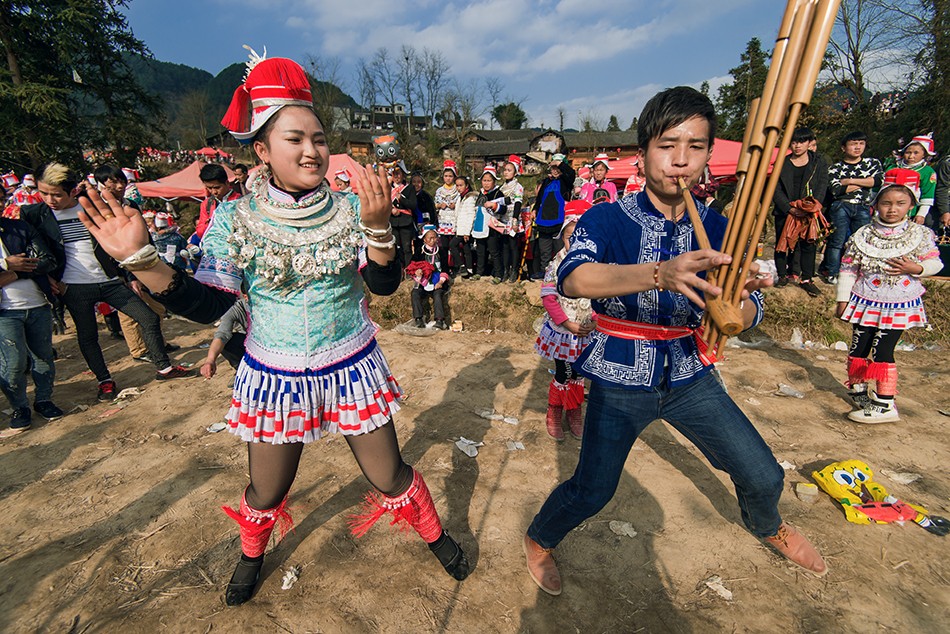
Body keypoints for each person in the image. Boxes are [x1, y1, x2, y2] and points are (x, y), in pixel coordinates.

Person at [77, 53, 469, 606]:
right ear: (261, 149)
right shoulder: (236, 220)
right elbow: (208, 301)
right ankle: (251, 555)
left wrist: (379, 229)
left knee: (389, 475)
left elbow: (382, 289)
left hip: (352, 365)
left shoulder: (351, 208)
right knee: (268, 487)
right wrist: (143, 261)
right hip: (275, 372)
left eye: (319, 136)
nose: (312, 149)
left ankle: (436, 535)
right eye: (295, 138)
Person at [523, 87, 827, 598]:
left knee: (762, 473)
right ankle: (540, 538)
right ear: (643, 152)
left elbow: (748, 311)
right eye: (668, 144)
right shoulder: (607, 217)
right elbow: (574, 278)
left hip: (690, 372)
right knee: (593, 490)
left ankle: (766, 523)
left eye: (696, 146)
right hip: (619, 375)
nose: (681, 160)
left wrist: (742, 305)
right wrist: (660, 273)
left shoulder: (719, 226)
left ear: (709, 154)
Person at [23, 164, 192, 402]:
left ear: (72, 191)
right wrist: (47, 277)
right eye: (44, 193)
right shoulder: (33, 214)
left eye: (57, 194)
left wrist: (133, 276)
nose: (50, 199)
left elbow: (124, 240)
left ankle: (164, 368)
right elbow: (34, 251)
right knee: (88, 335)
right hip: (73, 286)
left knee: (148, 317)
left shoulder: (92, 207)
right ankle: (104, 381)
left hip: (110, 279)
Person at [836, 169, 943, 423]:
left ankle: (885, 403)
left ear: (911, 205)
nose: (892, 209)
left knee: (883, 349)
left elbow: (935, 263)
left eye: (900, 204)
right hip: (864, 300)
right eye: (886, 203)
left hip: (897, 303)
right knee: (858, 347)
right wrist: (842, 300)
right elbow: (849, 268)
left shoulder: (919, 235)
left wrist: (915, 269)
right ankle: (859, 391)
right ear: (876, 204)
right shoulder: (861, 235)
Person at [94, 165, 179, 365]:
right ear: (101, 186)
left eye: (121, 180)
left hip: (145, 260)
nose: (119, 185)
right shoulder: (101, 210)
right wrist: (125, 275)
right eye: (112, 182)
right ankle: (139, 349)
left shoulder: (130, 204)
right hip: (120, 266)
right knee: (129, 311)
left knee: (157, 304)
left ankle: (159, 342)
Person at [0, 214, 64, 438]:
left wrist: (14, 272)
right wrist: (6, 265)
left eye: (1, 198)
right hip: (4, 312)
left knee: (43, 356)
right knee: (14, 362)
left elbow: (47, 259)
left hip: (38, 304)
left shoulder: (19, 228)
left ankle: (44, 400)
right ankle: (20, 407)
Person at [534, 202, 593, 441]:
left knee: (579, 372)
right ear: (562, 238)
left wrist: (596, 321)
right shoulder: (556, 264)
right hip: (564, 329)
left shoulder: (595, 264)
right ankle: (554, 410)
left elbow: (602, 295)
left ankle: (574, 410)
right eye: (570, 236)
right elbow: (548, 297)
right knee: (563, 371)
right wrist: (567, 323)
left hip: (587, 330)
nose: (574, 242)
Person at [819, 131, 885, 284]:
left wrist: (848, 180)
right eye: (853, 144)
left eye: (861, 143)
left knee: (861, 242)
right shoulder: (835, 167)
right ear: (844, 147)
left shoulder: (872, 163)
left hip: (862, 206)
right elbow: (836, 190)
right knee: (837, 241)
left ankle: (858, 273)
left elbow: (877, 181)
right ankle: (833, 272)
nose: (857, 147)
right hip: (840, 206)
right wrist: (864, 181)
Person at [771, 127, 829, 296]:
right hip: (786, 210)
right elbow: (775, 188)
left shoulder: (818, 161)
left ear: (809, 143)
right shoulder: (782, 162)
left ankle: (807, 278)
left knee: (808, 244)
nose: (797, 146)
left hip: (809, 210)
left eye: (801, 142)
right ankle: (782, 275)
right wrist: (789, 208)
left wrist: (812, 205)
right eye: (794, 142)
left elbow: (822, 184)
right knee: (782, 244)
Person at [531, 154, 576, 279]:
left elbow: (571, 173)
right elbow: (539, 199)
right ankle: (544, 272)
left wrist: (559, 164)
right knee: (544, 250)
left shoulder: (565, 182)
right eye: (553, 168)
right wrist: (535, 209)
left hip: (559, 221)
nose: (555, 170)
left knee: (559, 250)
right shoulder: (546, 182)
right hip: (543, 220)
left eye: (558, 168)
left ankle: (560, 272)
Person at [884, 133, 938, 229]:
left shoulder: (927, 172)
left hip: (911, 214)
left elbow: (927, 195)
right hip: (887, 212)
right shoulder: (892, 168)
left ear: (924, 155)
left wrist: (921, 214)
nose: (911, 156)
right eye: (908, 152)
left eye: (916, 153)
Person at [408, 225, 449, 330]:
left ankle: (439, 320)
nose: (433, 240)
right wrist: (417, 272)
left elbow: (445, 269)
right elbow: (412, 267)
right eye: (430, 238)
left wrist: (440, 282)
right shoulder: (419, 252)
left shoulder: (442, 251)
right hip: (423, 281)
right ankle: (418, 319)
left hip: (437, 280)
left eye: (435, 237)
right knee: (415, 293)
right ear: (424, 239)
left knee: (437, 294)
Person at [200, 296, 249, 381]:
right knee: (228, 343)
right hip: (254, 345)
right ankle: (243, 371)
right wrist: (210, 361)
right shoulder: (238, 308)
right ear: (245, 296)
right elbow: (222, 335)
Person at [474, 166, 505, 278]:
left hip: (492, 227)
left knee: (494, 251)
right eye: (484, 180)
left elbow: (503, 209)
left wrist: (494, 206)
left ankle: (498, 274)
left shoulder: (498, 194)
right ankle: (479, 272)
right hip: (479, 226)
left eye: (489, 180)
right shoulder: (479, 194)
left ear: (494, 181)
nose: (486, 183)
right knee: (480, 251)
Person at [195, 164, 240, 239]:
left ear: (227, 183)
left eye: (217, 187)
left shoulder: (240, 201)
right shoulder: (206, 204)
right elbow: (200, 232)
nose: (213, 192)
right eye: (209, 188)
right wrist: (210, 222)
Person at [498, 157, 525, 282]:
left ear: (515, 172)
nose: (506, 172)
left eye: (509, 170)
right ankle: (505, 270)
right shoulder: (502, 187)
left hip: (513, 218)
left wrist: (515, 219)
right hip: (503, 219)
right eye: (505, 170)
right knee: (504, 246)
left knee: (513, 245)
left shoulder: (518, 187)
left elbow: (518, 203)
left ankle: (514, 269)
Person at [388, 162, 417, 268]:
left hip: (405, 221)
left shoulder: (409, 188)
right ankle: (399, 269)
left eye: (398, 173)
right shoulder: (387, 188)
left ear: (403, 174)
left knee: (407, 247)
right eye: (394, 174)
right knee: (395, 247)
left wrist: (402, 199)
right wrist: (391, 210)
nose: (396, 176)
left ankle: (409, 268)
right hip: (393, 221)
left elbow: (413, 205)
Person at [449, 176, 478, 278]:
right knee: (466, 250)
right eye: (457, 185)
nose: (458, 188)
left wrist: (467, 232)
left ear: (466, 185)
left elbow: (470, 216)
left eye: (461, 185)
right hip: (460, 229)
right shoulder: (460, 198)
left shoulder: (469, 199)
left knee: (453, 245)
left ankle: (461, 266)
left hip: (465, 230)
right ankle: (469, 270)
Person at [434, 161, 459, 259]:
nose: (448, 178)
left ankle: (456, 265)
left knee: (455, 245)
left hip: (454, 220)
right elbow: (435, 204)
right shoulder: (439, 190)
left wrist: (455, 205)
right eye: (446, 176)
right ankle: (445, 267)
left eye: (450, 176)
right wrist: (440, 205)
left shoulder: (457, 189)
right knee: (443, 245)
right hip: (443, 220)